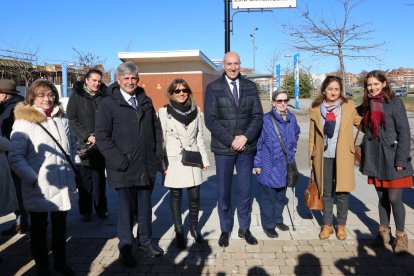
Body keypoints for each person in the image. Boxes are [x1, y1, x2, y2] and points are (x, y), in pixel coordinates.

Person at [95, 62, 164, 267]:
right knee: (126, 211)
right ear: (118, 80)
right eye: (126, 78)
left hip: (145, 165)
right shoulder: (108, 104)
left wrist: (156, 156)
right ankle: (125, 246)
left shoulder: (145, 100)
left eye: (133, 78)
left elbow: (156, 130)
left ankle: (145, 242)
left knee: (144, 207)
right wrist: (119, 160)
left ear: (138, 79)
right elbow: (102, 137)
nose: (130, 82)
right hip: (123, 168)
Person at [8, 79, 77, 275]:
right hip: (39, 186)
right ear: (32, 97)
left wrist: (73, 169)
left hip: (62, 183)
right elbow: (15, 157)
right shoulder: (24, 122)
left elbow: (70, 149)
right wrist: (32, 179)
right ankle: (42, 268)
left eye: (50, 94)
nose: (47, 99)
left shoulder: (62, 119)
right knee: (38, 230)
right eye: (41, 95)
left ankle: (60, 262)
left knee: (60, 227)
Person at [204, 51, 263, 247]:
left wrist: (245, 137)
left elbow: (258, 116)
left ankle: (244, 228)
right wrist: (231, 140)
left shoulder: (250, 86)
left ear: (240, 64)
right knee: (224, 193)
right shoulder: (213, 88)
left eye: (236, 63)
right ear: (223, 64)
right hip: (224, 149)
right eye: (229, 64)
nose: (233, 67)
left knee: (245, 191)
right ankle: (225, 229)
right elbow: (210, 120)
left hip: (246, 148)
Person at [357, 70, 413, 254]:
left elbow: (404, 133)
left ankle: (401, 237)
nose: (372, 88)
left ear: (384, 84)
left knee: (394, 198)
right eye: (369, 85)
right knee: (381, 198)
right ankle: (383, 234)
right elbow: (353, 114)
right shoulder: (366, 105)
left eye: (375, 84)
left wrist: (401, 160)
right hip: (374, 157)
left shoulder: (394, 103)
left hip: (393, 157)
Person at [158, 78, 210, 250]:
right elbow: (162, 141)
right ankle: (179, 231)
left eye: (184, 90)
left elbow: (199, 137)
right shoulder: (164, 112)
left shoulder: (197, 110)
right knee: (176, 197)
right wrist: (163, 165)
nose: (181, 94)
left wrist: (204, 159)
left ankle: (194, 229)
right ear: (171, 93)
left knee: (195, 197)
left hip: (193, 158)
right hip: (174, 160)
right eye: (177, 91)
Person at [308, 76, 361, 240]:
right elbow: (312, 136)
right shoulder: (316, 108)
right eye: (330, 89)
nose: (333, 92)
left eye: (336, 89)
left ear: (340, 91)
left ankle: (341, 226)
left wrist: (372, 120)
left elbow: (359, 122)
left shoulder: (348, 106)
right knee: (326, 192)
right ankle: (327, 224)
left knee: (342, 192)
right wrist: (311, 157)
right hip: (323, 156)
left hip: (343, 156)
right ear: (324, 90)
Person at [254, 90, 300, 238]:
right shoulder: (265, 120)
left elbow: (297, 133)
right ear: (273, 102)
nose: (282, 103)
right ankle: (269, 225)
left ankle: (278, 220)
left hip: (285, 165)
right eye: (279, 101)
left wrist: (294, 145)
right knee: (268, 199)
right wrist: (257, 164)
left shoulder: (292, 118)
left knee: (281, 197)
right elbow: (258, 144)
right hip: (268, 166)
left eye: (285, 100)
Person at [66, 69, 108, 222]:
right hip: (83, 144)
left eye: (99, 80)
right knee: (85, 180)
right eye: (94, 80)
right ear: (86, 80)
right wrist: (87, 136)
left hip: (101, 143)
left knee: (99, 179)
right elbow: (72, 119)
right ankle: (85, 211)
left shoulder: (104, 96)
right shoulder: (76, 97)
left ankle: (101, 209)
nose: (97, 83)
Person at [0, 79, 29, 236]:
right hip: (10, 155)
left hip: (13, 156)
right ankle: (22, 221)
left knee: (17, 191)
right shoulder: (8, 107)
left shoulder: (14, 109)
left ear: (3, 95)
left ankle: (22, 222)